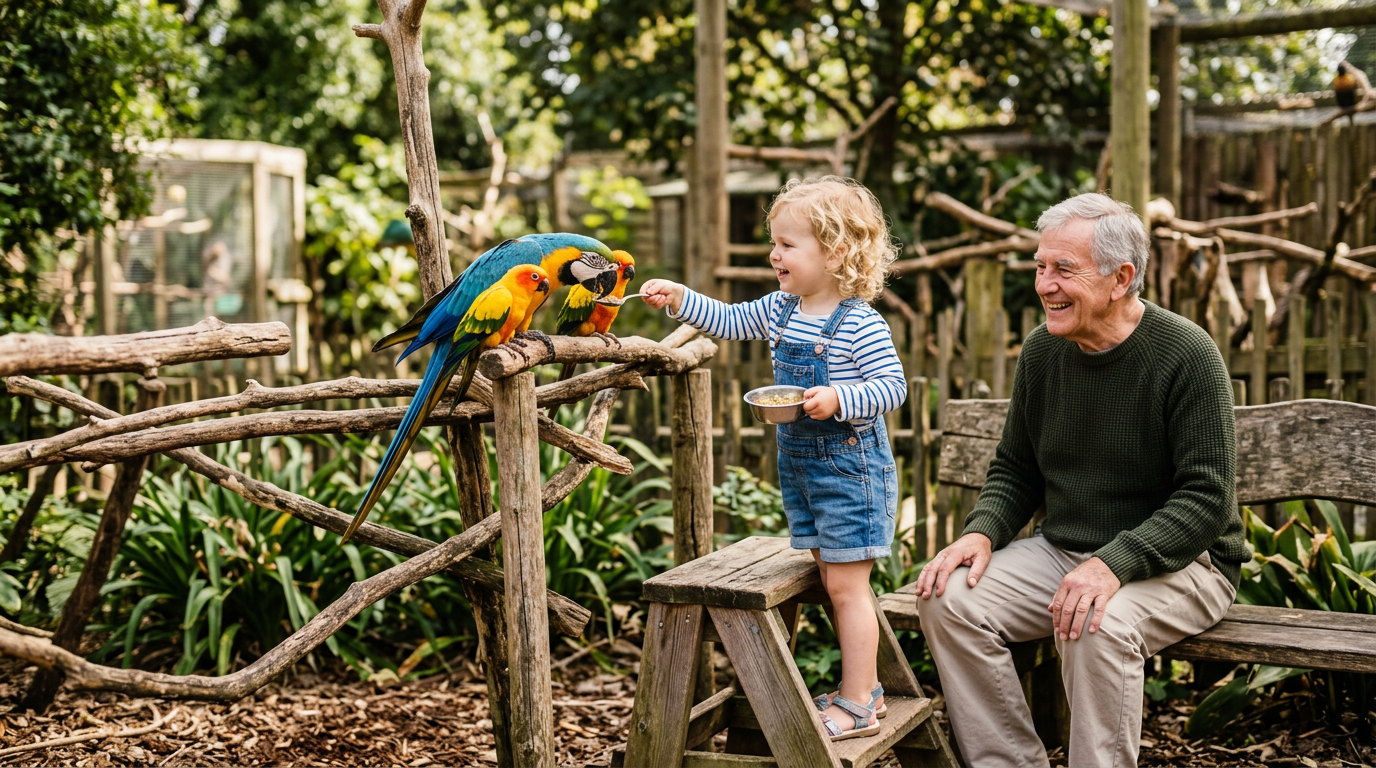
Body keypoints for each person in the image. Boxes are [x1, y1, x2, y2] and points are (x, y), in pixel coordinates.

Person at [915, 193, 1247, 767]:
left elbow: (1206, 499)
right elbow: (1016, 466)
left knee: (1095, 623)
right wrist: (982, 533)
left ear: (1121, 278)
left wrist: (1113, 563)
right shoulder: (1044, 351)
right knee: (947, 598)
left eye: (1063, 269)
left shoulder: (1188, 353)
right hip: (1065, 553)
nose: (1044, 284)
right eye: (1041, 267)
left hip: (1187, 565)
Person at [641, 176, 906, 741]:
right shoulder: (784, 308)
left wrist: (840, 397)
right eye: (775, 242)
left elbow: (892, 387)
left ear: (834, 252)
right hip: (804, 470)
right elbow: (732, 320)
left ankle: (859, 701)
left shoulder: (859, 323)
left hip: (850, 472)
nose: (774, 254)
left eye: (788, 244)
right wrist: (682, 299)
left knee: (846, 587)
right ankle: (868, 690)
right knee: (829, 574)